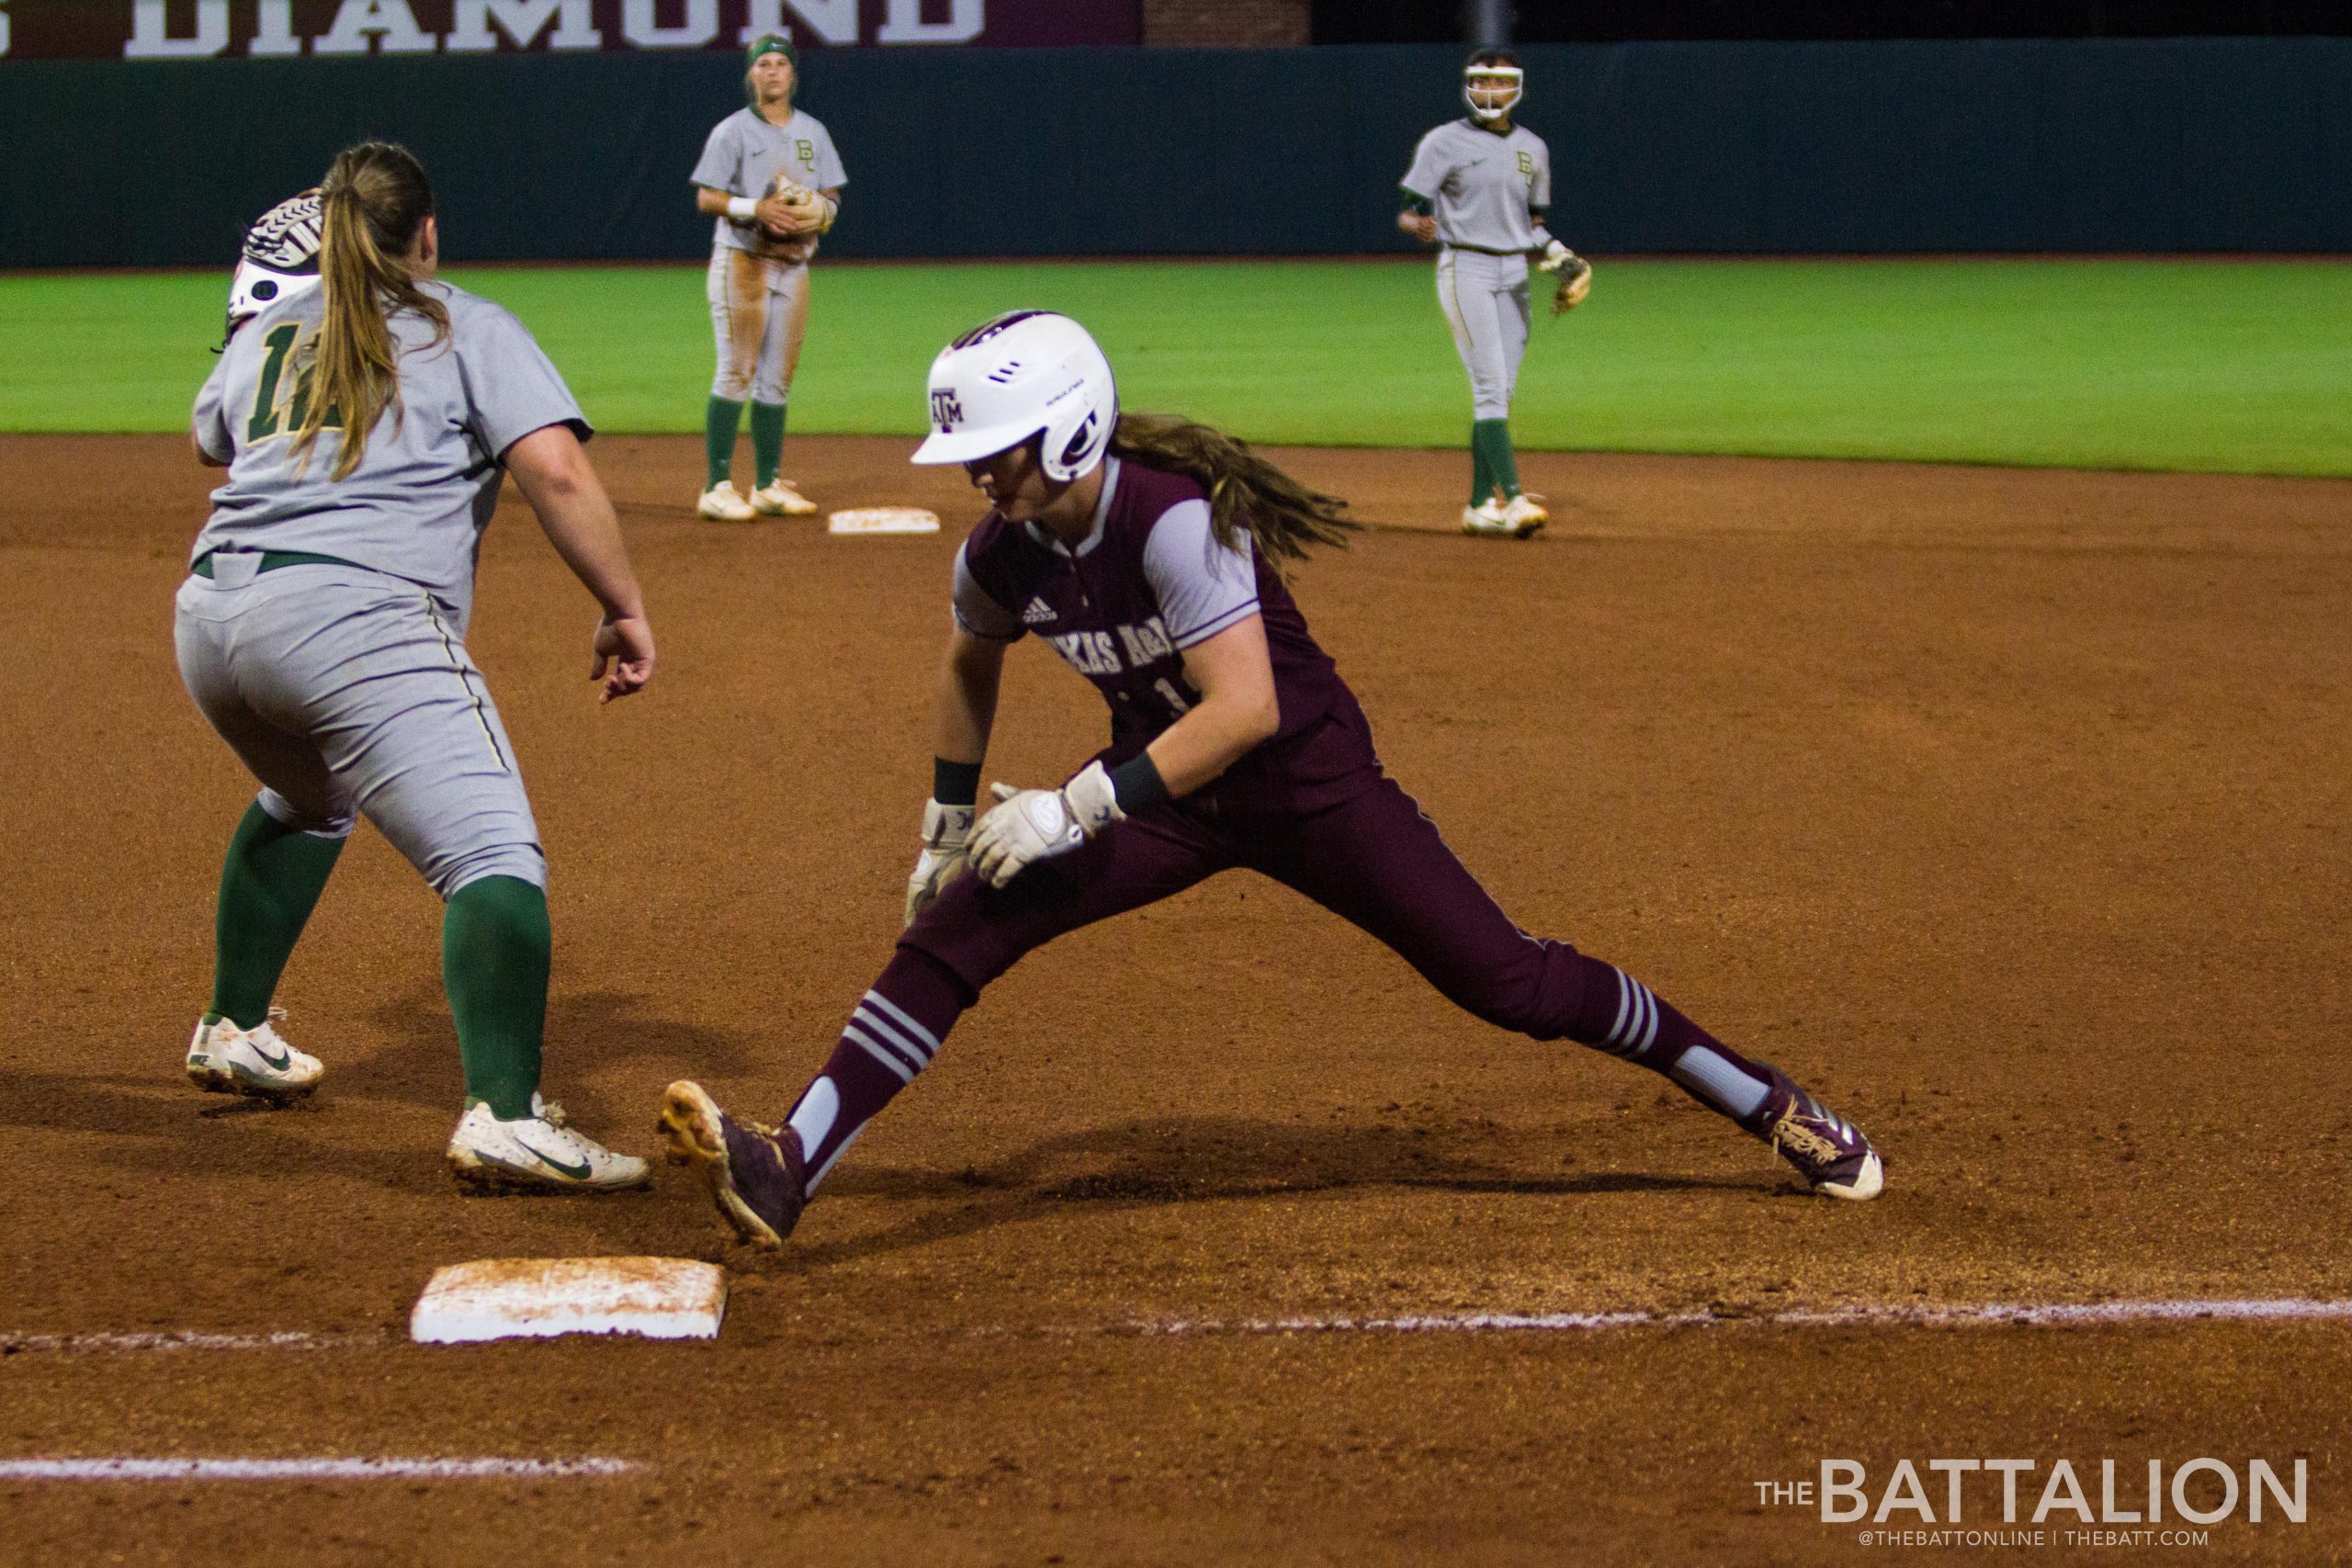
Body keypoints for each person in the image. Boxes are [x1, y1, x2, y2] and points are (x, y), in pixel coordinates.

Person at [655, 310, 1882, 1247]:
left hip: (1306, 783)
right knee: (962, 919)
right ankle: (790, 1164)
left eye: (999, 451)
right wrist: (946, 818)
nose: (980, 475)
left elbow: (1247, 709)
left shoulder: (1176, 520)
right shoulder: (1002, 551)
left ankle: (1763, 1096)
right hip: (1164, 788)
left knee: (1508, 980)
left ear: (1072, 427)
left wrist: (1072, 804)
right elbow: (971, 660)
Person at [176, 142, 656, 1192]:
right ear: (425, 235)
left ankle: (233, 1027)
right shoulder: (467, 323)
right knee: (494, 855)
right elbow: (556, 472)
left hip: (211, 624)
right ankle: (507, 1116)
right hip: (355, 623)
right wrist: (622, 608)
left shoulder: (270, 330)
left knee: (312, 795)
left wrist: (260, 330)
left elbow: (209, 438)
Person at [1398, 50, 1586, 539]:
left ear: (1515, 87)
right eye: (1482, 81)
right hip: (1466, 267)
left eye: (1500, 82)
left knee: (1499, 391)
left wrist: (1561, 257)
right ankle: (1516, 500)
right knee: (1488, 386)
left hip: (1515, 273)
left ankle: (1480, 506)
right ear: (1469, 86)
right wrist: (1418, 223)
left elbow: (1533, 223)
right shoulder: (1444, 141)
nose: (1490, 90)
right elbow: (1408, 209)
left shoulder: (1533, 148)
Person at [689, 32, 846, 523]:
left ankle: (768, 484)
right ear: (751, 75)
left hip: (794, 264)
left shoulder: (813, 131)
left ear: (792, 75)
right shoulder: (732, 131)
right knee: (736, 371)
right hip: (743, 260)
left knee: (777, 379)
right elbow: (707, 197)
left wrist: (820, 212)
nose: (772, 71)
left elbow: (832, 193)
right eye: (763, 65)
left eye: (780, 64)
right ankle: (716, 486)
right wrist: (755, 207)